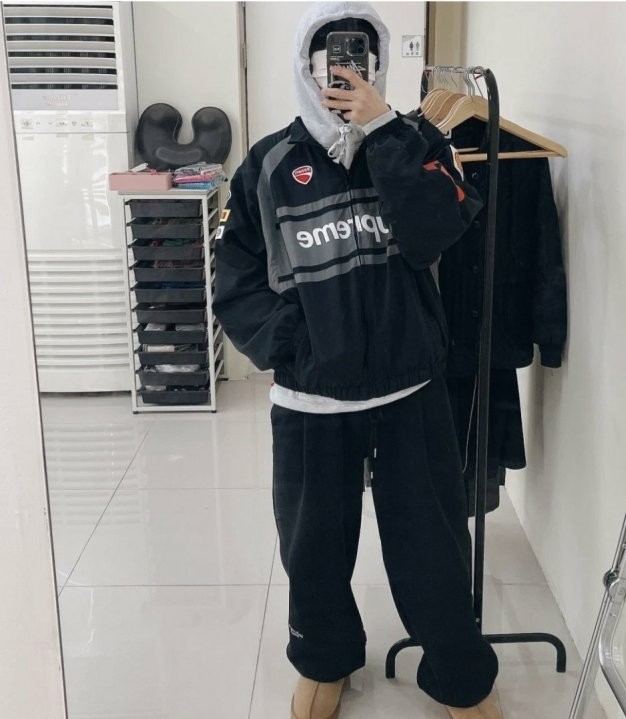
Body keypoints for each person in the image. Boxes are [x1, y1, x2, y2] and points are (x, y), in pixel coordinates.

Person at [212, 3, 502, 718]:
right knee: (312, 545)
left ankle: (457, 673)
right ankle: (324, 657)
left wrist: (384, 130)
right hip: (312, 398)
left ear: (379, 63)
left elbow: (435, 232)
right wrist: (293, 344)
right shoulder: (268, 165)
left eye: (360, 54)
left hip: (410, 388)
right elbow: (235, 277)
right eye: (330, 54)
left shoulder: (416, 143)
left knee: (433, 541)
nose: (345, 68)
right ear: (305, 65)